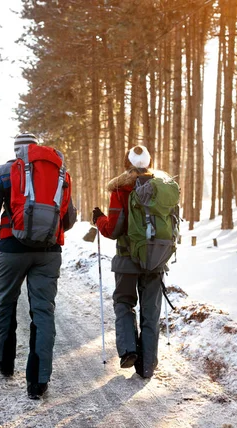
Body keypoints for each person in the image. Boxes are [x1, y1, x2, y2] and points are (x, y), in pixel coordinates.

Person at [0, 132, 76, 399]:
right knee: (43, 312)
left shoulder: (5, 171)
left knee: (6, 302)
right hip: (48, 251)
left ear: (17, 150)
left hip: (11, 249)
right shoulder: (59, 172)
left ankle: (5, 364)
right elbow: (70, 218)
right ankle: (38, 381)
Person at [93, 145, 169, 379]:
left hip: (127, 258)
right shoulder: (161, 188)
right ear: (150, 162)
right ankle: (147, 365)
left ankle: (128, 351)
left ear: (126, 163)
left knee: (124, 303)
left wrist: (99, 219)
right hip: (155, 259)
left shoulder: (120, 189)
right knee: (151, 311)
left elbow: (114, 229)